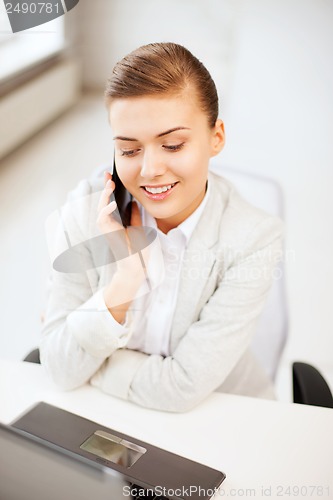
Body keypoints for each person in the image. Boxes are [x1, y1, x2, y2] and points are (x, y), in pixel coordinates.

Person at [40, 42, 283, 412]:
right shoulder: (85, 211)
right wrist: (125, 280)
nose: (150, 169)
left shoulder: (254, 238)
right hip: (106, 414)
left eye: (172, 145)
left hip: (222, 415)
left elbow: (182, 388)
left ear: (216, 137)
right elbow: (58, 368)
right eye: (129, 149)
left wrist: (94, 367)